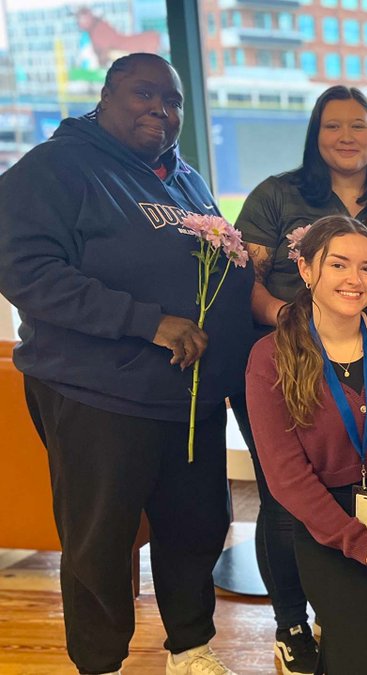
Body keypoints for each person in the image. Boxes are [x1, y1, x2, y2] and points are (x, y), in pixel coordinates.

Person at [0, 53, 252, 675]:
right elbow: (26, 271)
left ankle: (190, 648)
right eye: (145, 95)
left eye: (172, 102)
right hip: (98, 396)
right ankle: (100, 662)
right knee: (100, 542)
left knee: (196, 526)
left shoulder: (182, 176)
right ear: (107, 94)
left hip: (186, 398)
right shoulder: (55, 168)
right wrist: (145, 321)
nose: (160, 111)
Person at [245, 215, 367, 674]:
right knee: (364, 653)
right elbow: (286, 477)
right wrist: (357, 541)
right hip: (330, 524)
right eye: (339, 265)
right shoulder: (269, 358)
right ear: (306, 270)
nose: (355, 280)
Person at [232, 85, 367, 674]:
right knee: (284, 493)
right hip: (288, 359)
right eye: (331, 126)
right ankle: (291, 622)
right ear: (314, 134)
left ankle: (339, 607)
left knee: (363, 480)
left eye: (357, 125)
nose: (345, 137)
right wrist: (285, 316)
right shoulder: (277, 195)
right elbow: (243, 278)